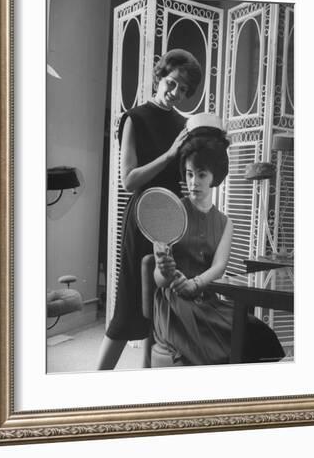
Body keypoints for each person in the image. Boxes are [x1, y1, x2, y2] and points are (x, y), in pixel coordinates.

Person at [96, 49, 203, 369]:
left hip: (175, 221)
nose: (175, 94)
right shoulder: (135, 118)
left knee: (165, 306)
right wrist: (171, 154)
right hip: (143, 217)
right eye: (171, 83)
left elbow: (191, 177)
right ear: (160, 77)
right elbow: (129, 180)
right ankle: (92, 384)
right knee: (130, 306)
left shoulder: (185, 125)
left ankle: (150, 380)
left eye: (184, 91)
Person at [152, 115, 285, 366]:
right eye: (189, 174)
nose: (194, 182)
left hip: (207, 299)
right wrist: (164, 270)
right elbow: (157, 280)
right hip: (174, 305)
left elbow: (218, 267)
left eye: (201, 175)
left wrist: (195, 284)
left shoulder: (225, 223)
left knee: (259, 334)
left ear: (215, 177)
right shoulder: (169, 213)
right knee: (219, 349)